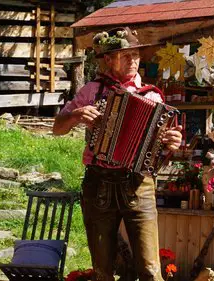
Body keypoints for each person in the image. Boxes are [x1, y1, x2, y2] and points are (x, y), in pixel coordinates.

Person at [53, 27, 182, 281]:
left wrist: (172, 142)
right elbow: (58, 128)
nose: (133, 60)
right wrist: (76, 115)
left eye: (135, 55)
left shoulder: (152, 96)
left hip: (138, 185)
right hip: (98, 184)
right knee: (102, 269)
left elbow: (161, 150)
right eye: (125, 55)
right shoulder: (92, 91)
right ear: (109, 60)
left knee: (150, 269)